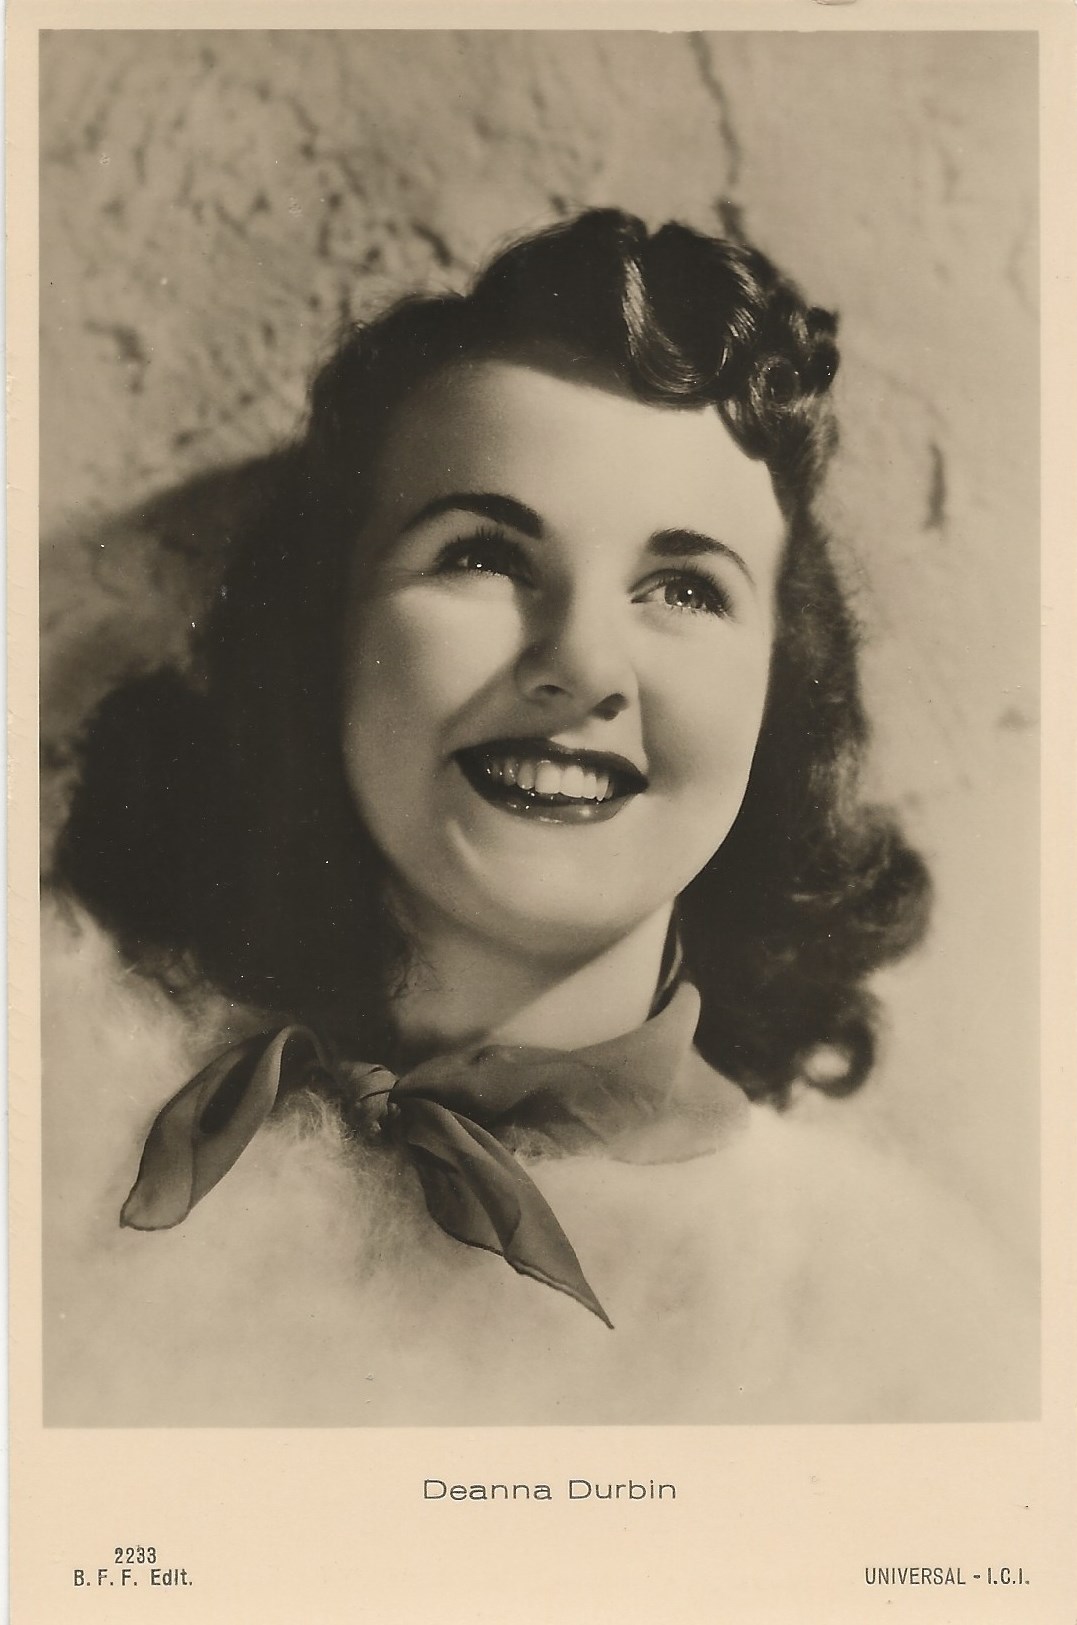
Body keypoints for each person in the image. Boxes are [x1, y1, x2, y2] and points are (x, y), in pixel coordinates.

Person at [44, 210, 1036, 1425]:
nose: (582, 665)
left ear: (783, 692)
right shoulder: (58, 1137)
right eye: (483, 557)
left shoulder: (911, 1330)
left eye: (685, 588)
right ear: (324, 638)